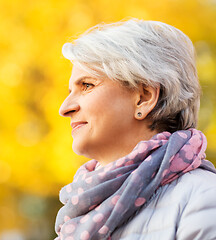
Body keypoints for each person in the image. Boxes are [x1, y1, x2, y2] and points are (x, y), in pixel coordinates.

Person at [55, 19, 216, 240]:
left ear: (144, 97)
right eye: (70, 90)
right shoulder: (79, 213)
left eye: (87, 85)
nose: (65, 108)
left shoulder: (203, 199)